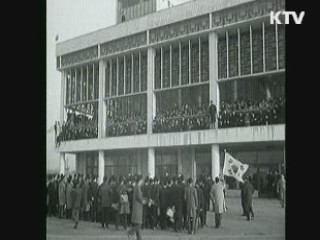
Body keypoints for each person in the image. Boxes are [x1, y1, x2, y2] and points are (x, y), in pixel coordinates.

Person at [128, 175, 145, 240]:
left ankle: (139, 238)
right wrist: (143, 201)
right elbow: (139, 197)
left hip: (136, 207)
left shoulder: (136, 187)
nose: (142, 182)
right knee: (138, 224)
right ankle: (130, 231)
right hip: (138, 208)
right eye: (141, 180)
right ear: (140, 181)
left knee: (136, 224)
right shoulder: (138, 187)